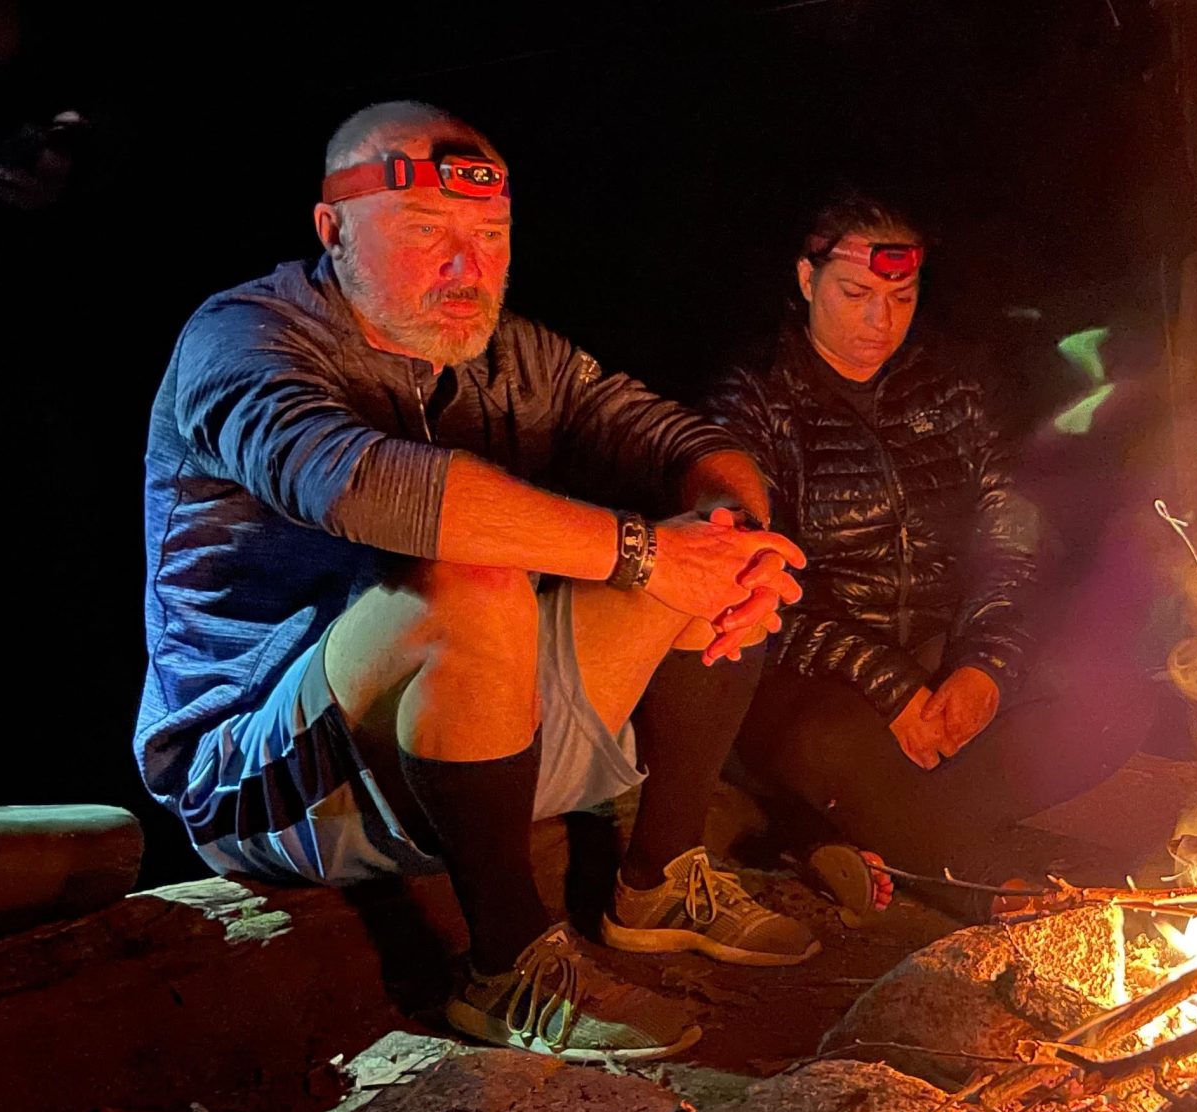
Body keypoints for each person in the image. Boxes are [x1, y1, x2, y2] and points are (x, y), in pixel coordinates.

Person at [138, 101, 817, 1063]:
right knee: (472, 578)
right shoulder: (243, 340)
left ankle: (658, 880)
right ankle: (504, 968)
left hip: (475, 753)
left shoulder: (510, 353)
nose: (467, 267)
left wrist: (737, 538)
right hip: (275, 785)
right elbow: (367, 484)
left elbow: (682, 440)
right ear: (332, 231)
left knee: (716, 537)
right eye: (426, 234)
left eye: (489, 236)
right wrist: (648, 554)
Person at [711, 197, 1141, 896]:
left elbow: (1010, 531)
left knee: (1110, 700)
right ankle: (963, 874)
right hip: (825, 685)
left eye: (900, 297)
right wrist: (892, 688)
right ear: (805, 279)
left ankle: (845, 828)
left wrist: (987, 667)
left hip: (943, 657)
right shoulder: (753, 402)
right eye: (856, 294)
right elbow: (759, 580)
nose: (879, 322)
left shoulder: (952, 389)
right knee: (823, 743)